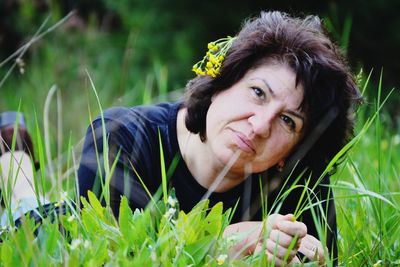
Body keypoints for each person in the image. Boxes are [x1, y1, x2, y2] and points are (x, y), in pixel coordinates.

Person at [1, 11, 361, 265]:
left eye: (288, 120)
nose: (261, 124)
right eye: (257, 92)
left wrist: (300, 256)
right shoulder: (124, 137)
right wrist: (221, 245)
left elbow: (321, 259)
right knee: (27, 218)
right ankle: (12, 151)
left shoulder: (300, 182)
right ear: (222, 84)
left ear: (294, 149)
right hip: (59, 231)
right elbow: (104, 254)